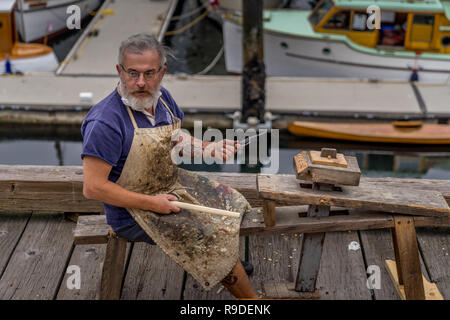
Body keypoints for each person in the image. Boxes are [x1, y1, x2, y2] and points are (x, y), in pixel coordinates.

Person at [81, 33, 257, 299]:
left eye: (149, 73)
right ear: (119, 71)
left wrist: (208, 148)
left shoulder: (162, 99)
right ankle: (251, 301)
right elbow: (93, 188)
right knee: (208, 234)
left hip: (170, 185)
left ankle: (227, 264)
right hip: (132, 213)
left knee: (234, 202)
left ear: (162, 72)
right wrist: (153, 204)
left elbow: (174, 138)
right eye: (133, 73)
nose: (141, 82)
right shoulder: (105, 123)